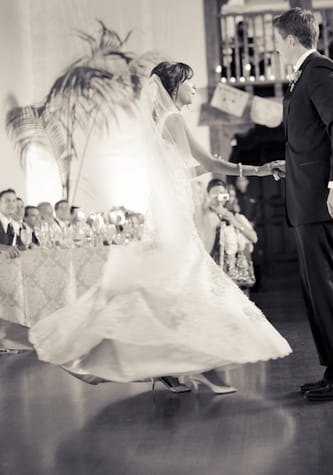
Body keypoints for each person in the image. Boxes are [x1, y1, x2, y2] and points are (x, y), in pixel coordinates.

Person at [29, 61, 291, 393]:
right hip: (173, 219)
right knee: (191, 286)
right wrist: (260, 169)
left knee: (173, 290)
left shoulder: (160, 124)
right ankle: (200, 367)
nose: (194, 88)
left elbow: (187, 172)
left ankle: (174, 367)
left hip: (172, 213)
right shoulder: (174, 119)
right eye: (189, 82)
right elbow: (209, 164)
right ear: (173, 87)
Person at [270, 7, 333, 402]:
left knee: (329, 288)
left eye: (277, 43)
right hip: (307, 198)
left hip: (324, 202)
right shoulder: (302, 79)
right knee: (317, 293)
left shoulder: (320, 72)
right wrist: (289, 166)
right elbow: (312, 139)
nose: (276, 51)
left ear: (291, 40)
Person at [196, 179, 257, 295]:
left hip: (237, 275)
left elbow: (254, 238)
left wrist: (234, 222)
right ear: (208, 195)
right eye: (215, 192)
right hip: (216, 273)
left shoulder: (234, 216)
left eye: (222, 192)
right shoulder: (205, 215)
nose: (219, 195)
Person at [0, 189, 21, 258]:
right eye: (7, 201)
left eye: (14, 201)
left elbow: (19, 246)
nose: (11, 204)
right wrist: (3, 247)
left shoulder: (15, 225)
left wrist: (29, 245)